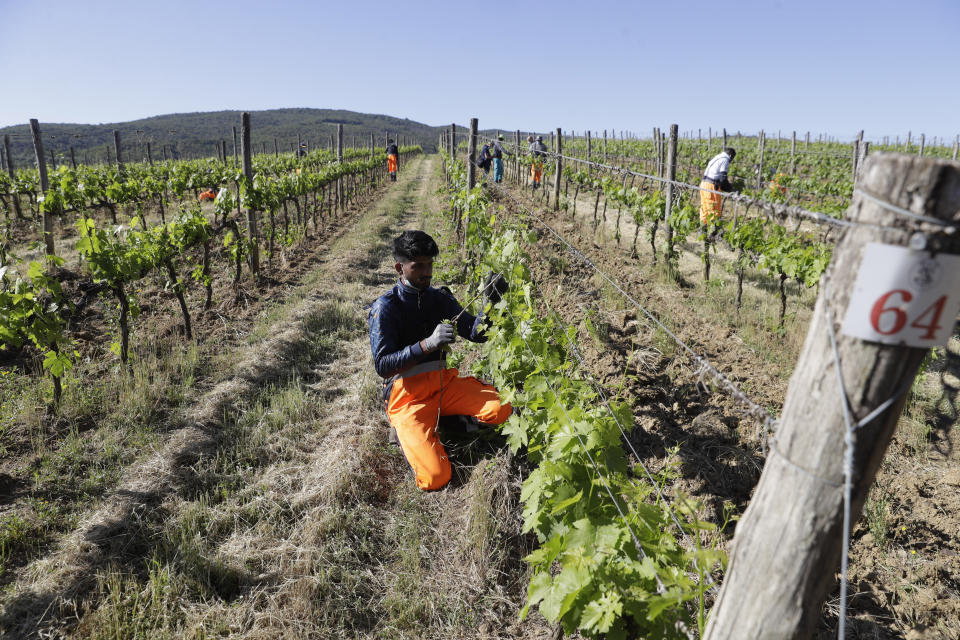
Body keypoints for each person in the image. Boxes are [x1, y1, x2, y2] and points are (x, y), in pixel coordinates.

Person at [368, 230, 511, 490]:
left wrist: (491, 302)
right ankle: (406, 430)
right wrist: (427, 345)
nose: (427, 272)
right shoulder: (386, 307)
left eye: (430, 264)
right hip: (407, 397)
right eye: (418, 266)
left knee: (502, 408)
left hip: (444, 385)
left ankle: (443, 420)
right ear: (399, 268)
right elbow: (383, 365)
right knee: (435, 478)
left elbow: (475, 333)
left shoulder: (440, 299)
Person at [700, 147, 736, 225]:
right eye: (732, 158)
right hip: (711, 186)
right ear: (730, 155)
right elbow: (723, 178)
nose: (731, 161)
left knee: (705, 209)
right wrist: (730, 189)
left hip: (703, 184)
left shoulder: (717, 157)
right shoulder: (725, 159)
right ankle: (713, 232)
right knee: (714, 210)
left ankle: (703, 230)